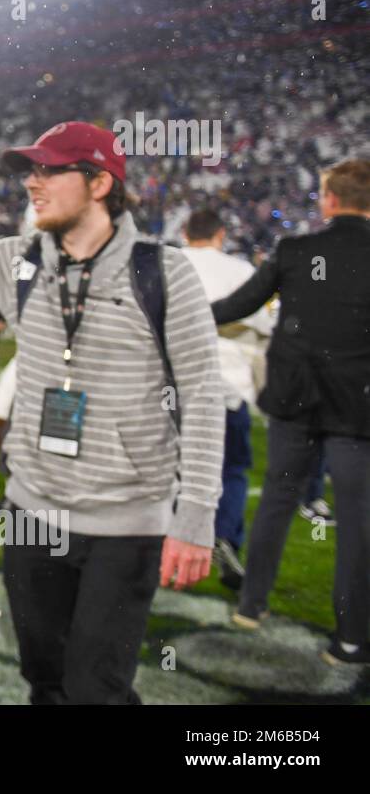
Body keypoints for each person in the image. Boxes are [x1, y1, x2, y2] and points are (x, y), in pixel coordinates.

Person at [0, 117, 225, 704]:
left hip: (125, 521)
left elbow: (204, 396)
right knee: (44, 681)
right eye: (29, 171)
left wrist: (196, 518)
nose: (32, 183)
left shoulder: (163, 272)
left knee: (96, 689)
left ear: (100, 182)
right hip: (32, 514)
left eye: (49, 170)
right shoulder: (18, 260)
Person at [211, 159, 370, 665]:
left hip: (294, 402)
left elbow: (236, 306)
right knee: (355, 522)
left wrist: (179, 313)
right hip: (357, 409)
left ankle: (251, 606)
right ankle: (349, 639)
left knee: (277, 503)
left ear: (328, 199)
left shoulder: (297, 251)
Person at [180, 207, 274, 591]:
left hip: (171, 386)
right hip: (227, 389)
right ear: (221, 235)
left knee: (168, 469)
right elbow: (266, 329)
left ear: (186, 233)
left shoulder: (167, 263)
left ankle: (159, 541)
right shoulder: (240, 271)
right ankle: (224, 537)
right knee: (231, 468)